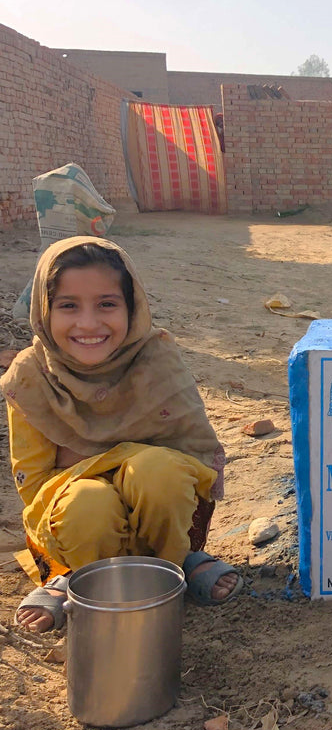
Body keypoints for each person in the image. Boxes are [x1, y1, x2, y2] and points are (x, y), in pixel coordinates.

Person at [3, 237, 242, 632]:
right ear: (44, 312)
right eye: (68, 306)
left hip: (165, 515)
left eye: (107, 304)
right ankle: (75, 576)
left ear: (132, 307)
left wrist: (107, 464)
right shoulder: (32, 377)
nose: (88, 324)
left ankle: (174, 562)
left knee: (158, 473)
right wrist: (111, 471)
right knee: (89, 504)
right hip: (77, 524)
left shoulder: (156, 359)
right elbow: (34, 486)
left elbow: (195, 458)